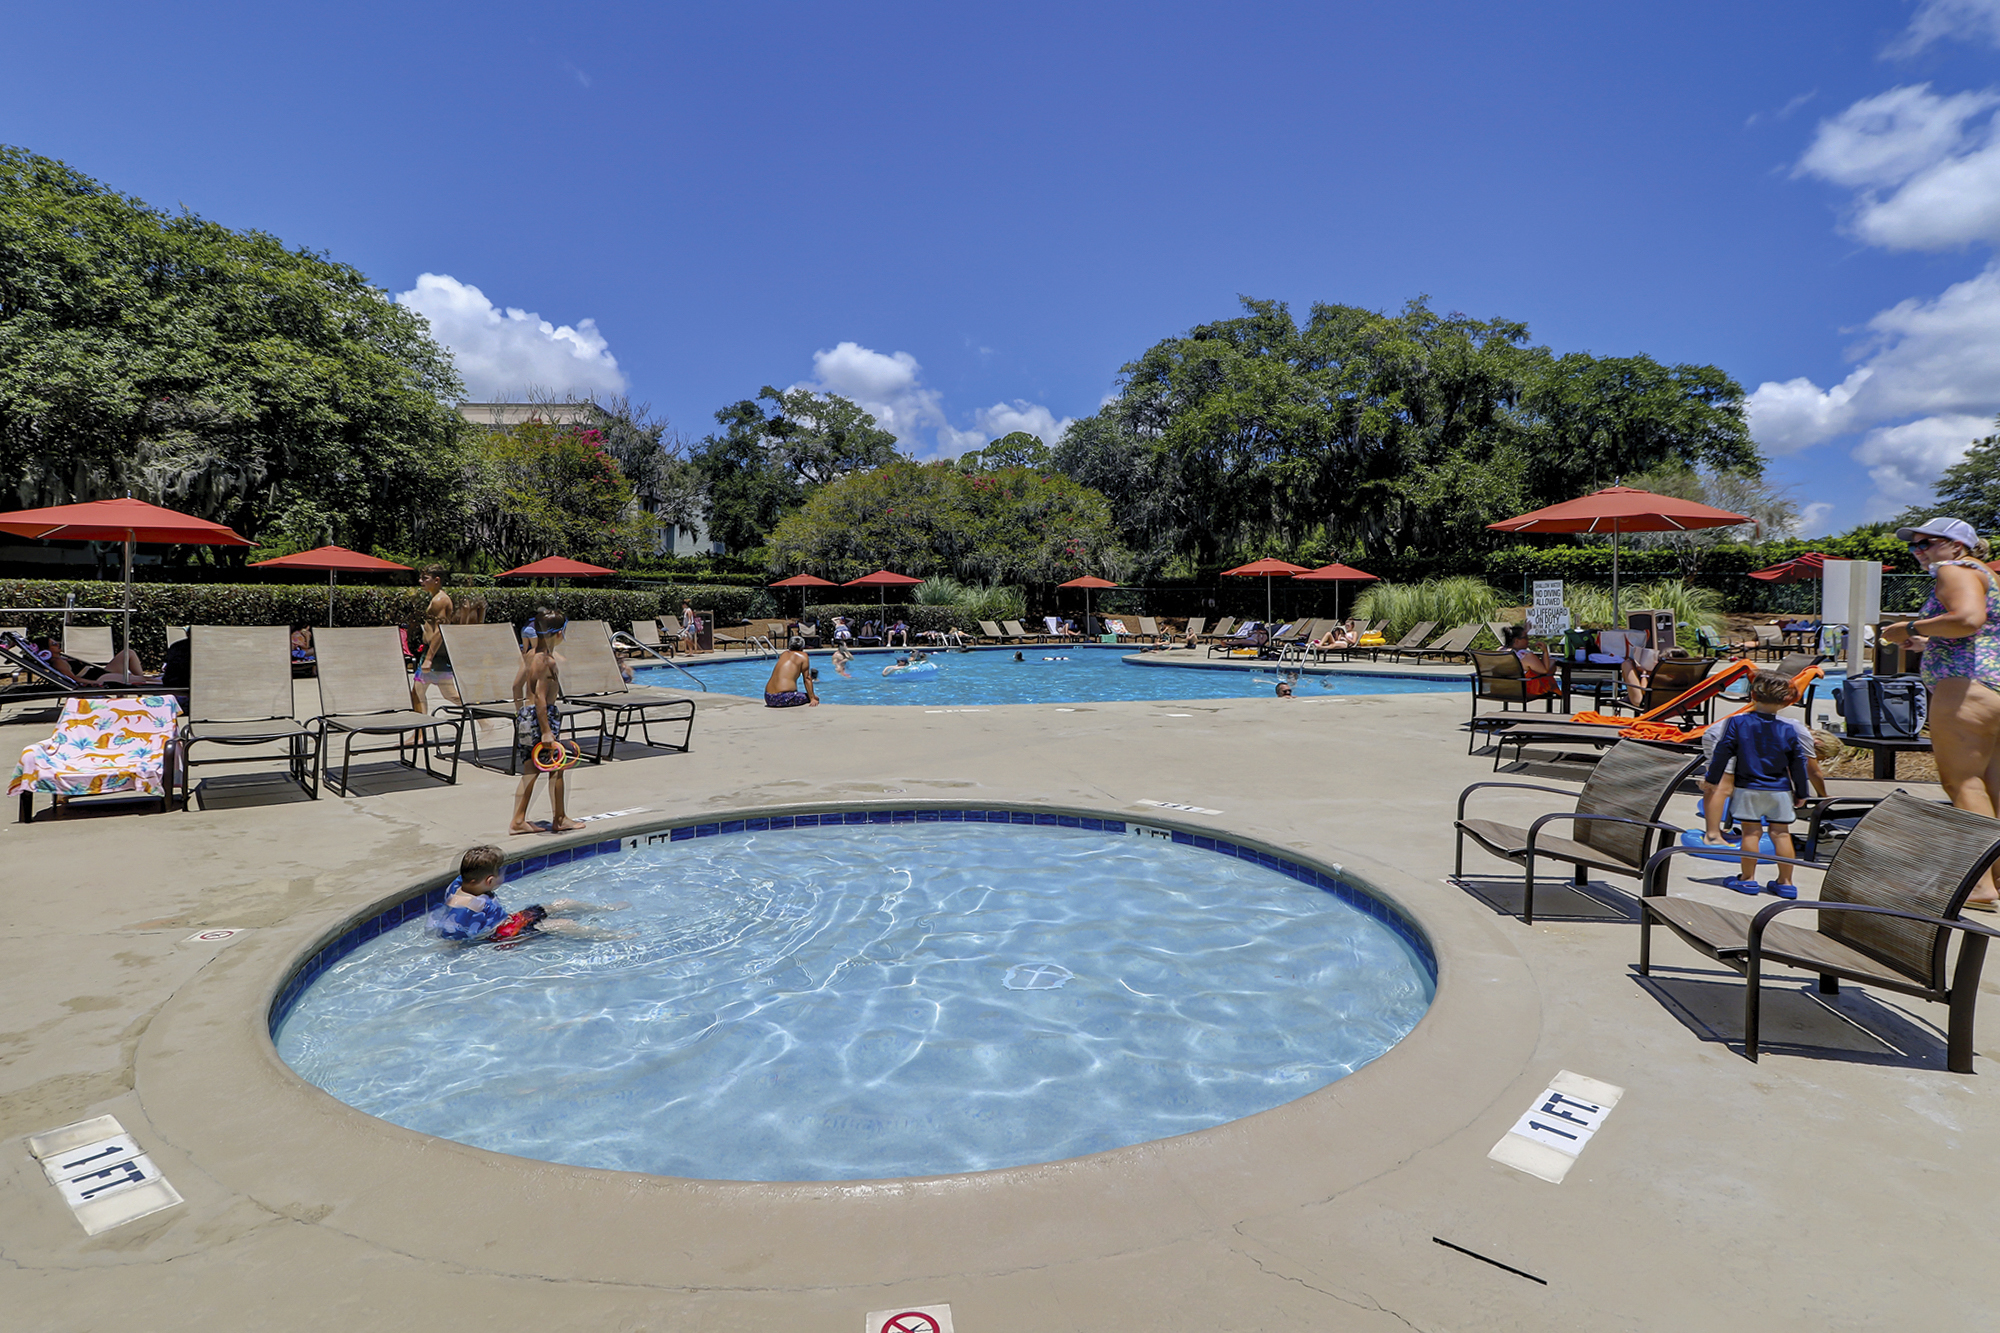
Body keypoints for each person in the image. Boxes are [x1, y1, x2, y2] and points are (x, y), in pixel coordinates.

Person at [1881, 516, 2000, 910]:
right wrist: (1926, 639)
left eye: (1927, 543)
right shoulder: (1985, 574)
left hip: (1963, 687)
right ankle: (1995, 878)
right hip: (1989, 685)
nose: (1920, 552)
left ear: (1956, 545)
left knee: (1962, 784)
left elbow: (1967, 620)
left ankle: (1979, 886)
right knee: (1992, 787)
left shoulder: (1954, 569)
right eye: (1914, 546)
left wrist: (1906, 628)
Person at [1701, 670, 1812, 898]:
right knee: (1781, 834)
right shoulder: (1788, 729)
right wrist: (1801, 792)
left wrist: (1711, 780)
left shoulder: (1737, 723)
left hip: (1748, 788)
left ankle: (1748, 879)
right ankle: (1786, 882)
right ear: (1785, 701)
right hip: (1780, 790)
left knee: (1751, 832)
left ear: (1752, 694)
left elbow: (1723, 752)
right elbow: (1798, 763)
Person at [430, 846, 630, 942]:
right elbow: (452, 934)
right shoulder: (469, 906)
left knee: (561, 903)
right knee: (563, 924)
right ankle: (612, 936)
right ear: (489, 881)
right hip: (502, 935)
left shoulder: (461, 883)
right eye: (502, 874)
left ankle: (605, 909)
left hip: (509, 921)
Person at [510, 612, 582, 835]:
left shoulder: (531, 655)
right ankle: (559, 818)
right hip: (542, 718)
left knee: (531, 771)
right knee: (557, 768)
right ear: (560, 633)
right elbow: (541, 697)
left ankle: (519, 820)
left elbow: (516, 686)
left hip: (527, 716)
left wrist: (522, 714)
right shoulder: (546, 661)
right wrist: (546, 731)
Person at [14, 633, 155, 686]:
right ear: (46, 651)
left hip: (100, 672)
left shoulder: (62, 658)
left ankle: (150, 679)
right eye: (54, 644)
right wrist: (95, 683)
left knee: (128, 652)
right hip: (99, 677)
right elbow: (75, 680)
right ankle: (158, 681)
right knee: (140, 681)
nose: (58, 644)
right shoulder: (58, 662)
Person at [410, 565, 457, 712]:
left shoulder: (440, 600)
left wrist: (429, 658)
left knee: (450, 695)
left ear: (437, 580)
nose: (420, 581)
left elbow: (439, 631)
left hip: (436, 655)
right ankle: (420, 734)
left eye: (425, 578)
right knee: (418, 693)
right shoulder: (435, 598)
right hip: (432, 653)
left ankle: (485, 721)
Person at [1501, 626, 1559, 698]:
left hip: (1503, 688)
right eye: (1526, 638)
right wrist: (1545, 651)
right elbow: (1545, 670)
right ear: (1516, 641)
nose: (1528, 640)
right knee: (1551, 664)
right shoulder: (1526, 656)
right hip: (1525, 690)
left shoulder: (1501, 651)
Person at [763, 636, 819, 707]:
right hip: (783, 698)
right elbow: (807, 678)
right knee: (813, 697)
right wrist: (812, 698)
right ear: (802, 647)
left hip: (768, 697)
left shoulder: (784, 654)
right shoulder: (803, 656)